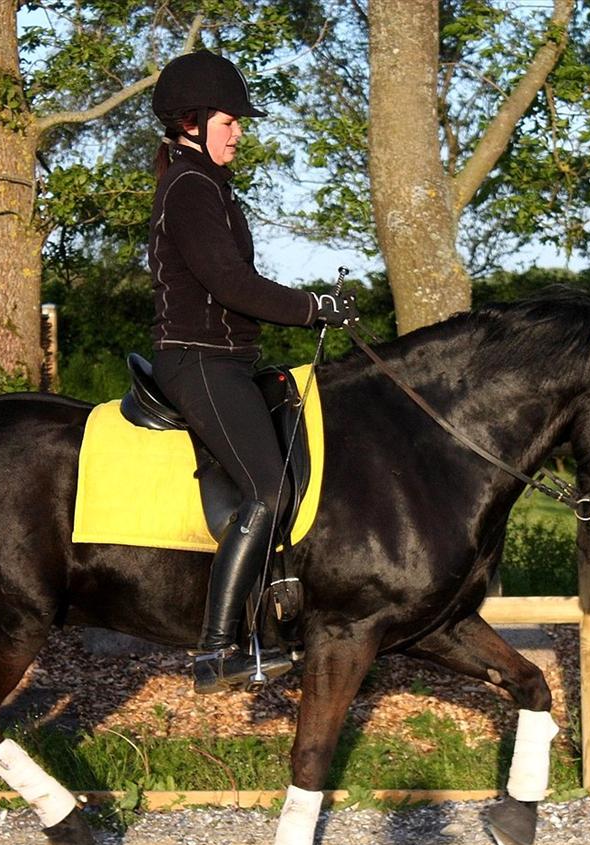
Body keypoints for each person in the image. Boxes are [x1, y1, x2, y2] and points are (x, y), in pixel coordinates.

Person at [148, 49, 354, 694]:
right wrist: (311, 307)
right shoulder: (189, 188)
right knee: (266, 489)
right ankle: (214, 652)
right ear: (191, 123)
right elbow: (229, 282)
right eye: (229, 121)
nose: (239, 131)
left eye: (239, 122)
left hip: (232, 359)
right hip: (198, 360)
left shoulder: (209, 184)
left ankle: (273, 622)